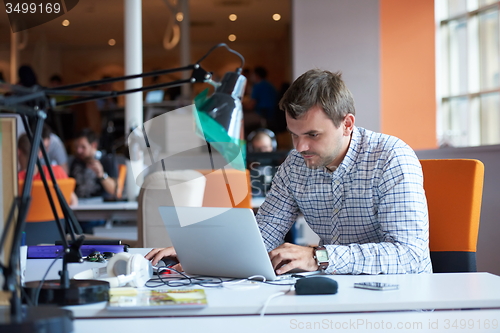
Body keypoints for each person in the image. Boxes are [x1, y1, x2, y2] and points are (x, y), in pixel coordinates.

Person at [146, 69, 432, 276]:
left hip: (400, 298)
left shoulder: (391, 157)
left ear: (347, 124)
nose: (301, 146)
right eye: (294, 135)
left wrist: (318, 256)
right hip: (336, 291)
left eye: (312, 134)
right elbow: (262, 236)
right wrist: (199, 253)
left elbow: (408, 255)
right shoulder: (295, 165)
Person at [17, 134, 77, 206]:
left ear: (18, 152)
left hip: (28, 217)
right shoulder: (56, 171)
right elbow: (73, 201)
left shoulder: (15, 180)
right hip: (57, 217)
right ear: (40, 153)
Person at [69, 129, 118, 199]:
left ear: (94, 145)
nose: (78, 151)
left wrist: (101, 175)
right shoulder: (76, 161)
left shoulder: (106, 160)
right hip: (79, 203)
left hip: (100, 204)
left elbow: (114, 190)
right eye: (77, 147)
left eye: (83, 147)